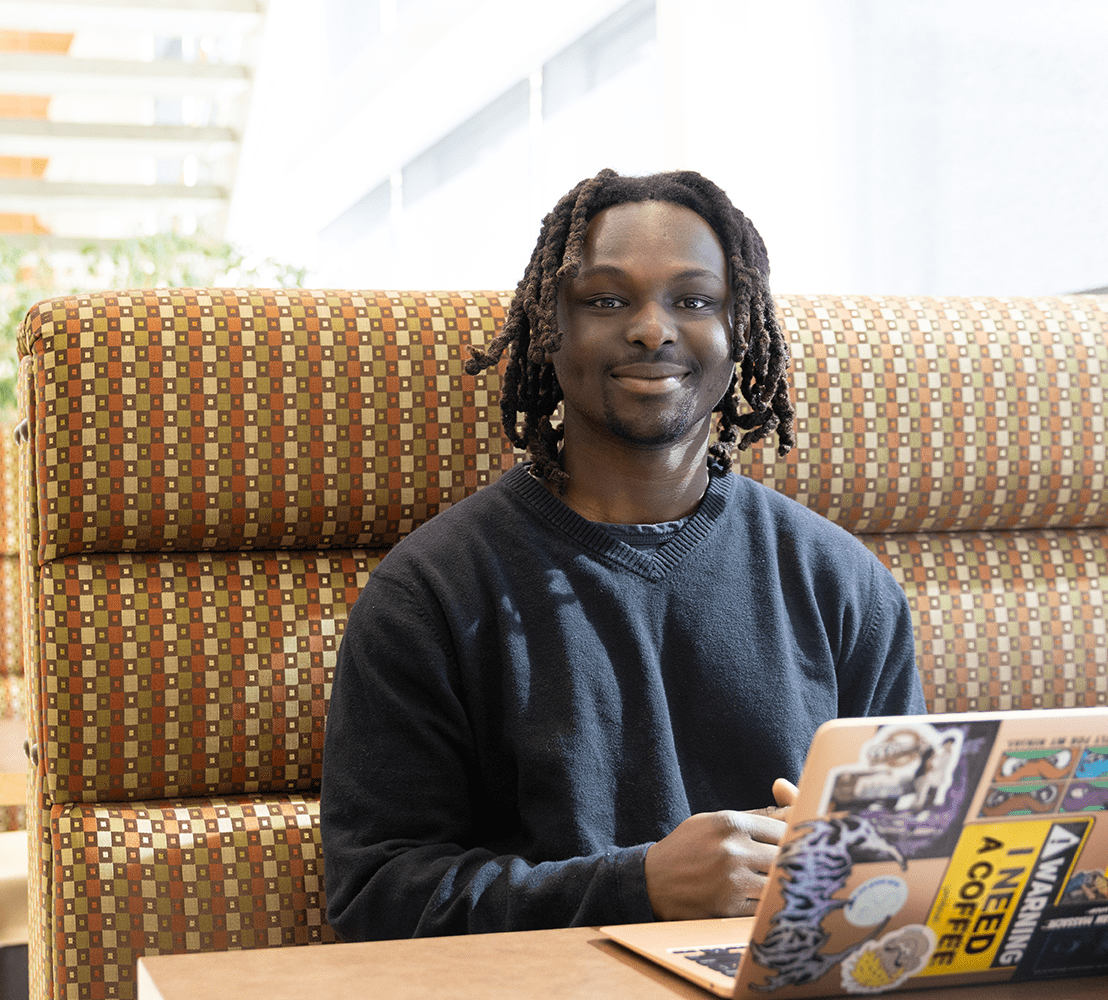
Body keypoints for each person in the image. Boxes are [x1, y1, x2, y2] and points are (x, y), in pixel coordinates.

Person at [320, 168, 925, 941]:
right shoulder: (431, 592)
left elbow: (910, 868)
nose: (651, 328)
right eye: (606, 300)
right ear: (551, 328)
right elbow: (374, 897)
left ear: (739, 331)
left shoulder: (844, 585)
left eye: (694, 301)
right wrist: (639, 885)